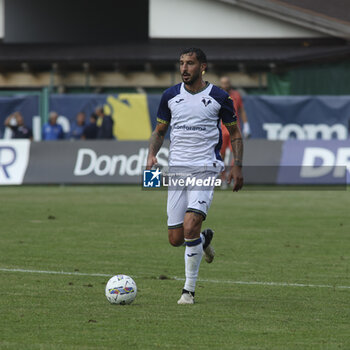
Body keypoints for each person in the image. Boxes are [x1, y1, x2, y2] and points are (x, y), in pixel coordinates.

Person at [147, 48, 244, 305]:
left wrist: (237, 165)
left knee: (190, 225)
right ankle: (204, 240)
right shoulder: (169, 96)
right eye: (181, 63)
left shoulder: (219, 97)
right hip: (177, 170)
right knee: (176, 238)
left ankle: (188, 291)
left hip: (206, 167)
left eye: (190, 63)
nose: (184, 68)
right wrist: (151, 156)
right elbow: (159, 131)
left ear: (202, 67)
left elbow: (234, 133)